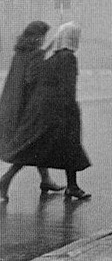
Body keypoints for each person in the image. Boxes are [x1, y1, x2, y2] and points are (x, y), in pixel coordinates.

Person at [4, 22, 91, 200]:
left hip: (42, 109)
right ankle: (5, 180)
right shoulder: (68, 58)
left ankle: (69, 185)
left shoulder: (52, 57)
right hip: (59, 112)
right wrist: (71, 109)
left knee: (64, 148)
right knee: (37, 148)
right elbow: (68, 88)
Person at [0, 21, 64, 201]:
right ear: (37, 36)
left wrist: (45, 51)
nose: (43, 40)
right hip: (29, 106)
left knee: (38, 143)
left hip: (13, 104)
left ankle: (46, 179)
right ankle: (5, 179)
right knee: (31, 145)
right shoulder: (35, 54)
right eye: (43, 37)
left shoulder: (20, 52)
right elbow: (31, 78)